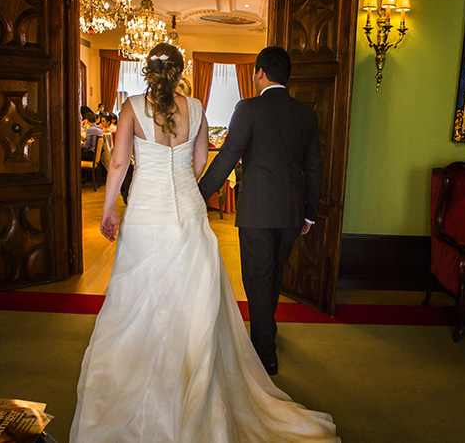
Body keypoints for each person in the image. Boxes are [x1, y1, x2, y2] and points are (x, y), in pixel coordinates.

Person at [70, 43, 339, 442]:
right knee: (194, 292)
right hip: (195, 210)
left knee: (142, 292)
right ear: (180, 72)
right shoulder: (197, 108)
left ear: (148, 71)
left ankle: (150, 366)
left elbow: (120, 162)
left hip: (148, 210)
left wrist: (108, 208)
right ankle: (211, 363)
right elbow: (200, 162)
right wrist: (184, 184)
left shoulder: (131, 107)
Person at [199, 46, 322, 376]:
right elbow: (314, 168)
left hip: (257, 212)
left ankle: (265, 353)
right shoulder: (306, 115)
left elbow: (227, 157)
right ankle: (268, 332)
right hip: (292, 212)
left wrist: (198, 195)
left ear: (260, 73)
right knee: (274, 275)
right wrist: (310, 214)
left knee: (257, 280)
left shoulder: (248, 108)